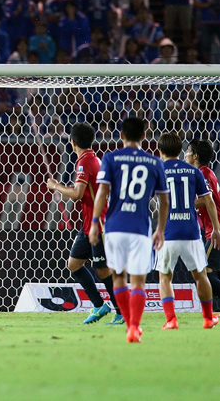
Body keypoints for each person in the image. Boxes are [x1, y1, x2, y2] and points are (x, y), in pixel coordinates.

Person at [89, 116, 170, 343]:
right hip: (139, 228)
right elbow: (164, 201)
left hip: (114, 227)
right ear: (144, 136)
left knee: (118, 277)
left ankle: (128, 326)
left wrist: (95, 223)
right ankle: (134, 327)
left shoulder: (110, 158)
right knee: (138, 282)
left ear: (121, 135)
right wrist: (160, 230)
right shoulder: (154, 162)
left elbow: (102, 193)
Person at [47, 122, 123, 325]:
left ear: (72, 142)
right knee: (74, 264)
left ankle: (120, 311)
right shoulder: (94, 158)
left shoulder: (85, 162)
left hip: (99, 225)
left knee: (103, 270)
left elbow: (78, 193)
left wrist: (56, 186)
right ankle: (99, 305)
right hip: (89, 224)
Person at [155, 132, 220, 330]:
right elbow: (209, 200)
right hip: (191, 232)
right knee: (201, 275)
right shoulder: (195, 172)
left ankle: (171, 320)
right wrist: (216, 228)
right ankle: (208, 318)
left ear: (161, 150)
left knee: (165, 277)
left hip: (168, 232)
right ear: (179, 150)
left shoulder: (158, 170)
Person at [187, 139, 220, 307]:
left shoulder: (203, 174)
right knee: (211, 271)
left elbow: (208, 199)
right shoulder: (206, 172)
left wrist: (184, 204)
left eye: (188, 151)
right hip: (212, 228)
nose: (185, 155)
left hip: (215, 229)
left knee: (203, 272)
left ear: (196, 156)